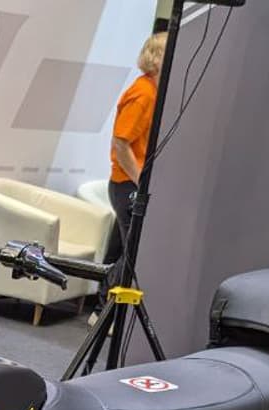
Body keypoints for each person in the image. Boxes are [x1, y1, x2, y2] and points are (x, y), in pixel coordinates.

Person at [104, 30, 166, 269]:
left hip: (129, 184)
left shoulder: (152, 92)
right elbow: (121, 143)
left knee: (120, 254)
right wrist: (141, 182)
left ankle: (105, 293)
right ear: (158, 58)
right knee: (131, 256)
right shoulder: (143, 94)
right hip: (127, 184)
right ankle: (111, 293)